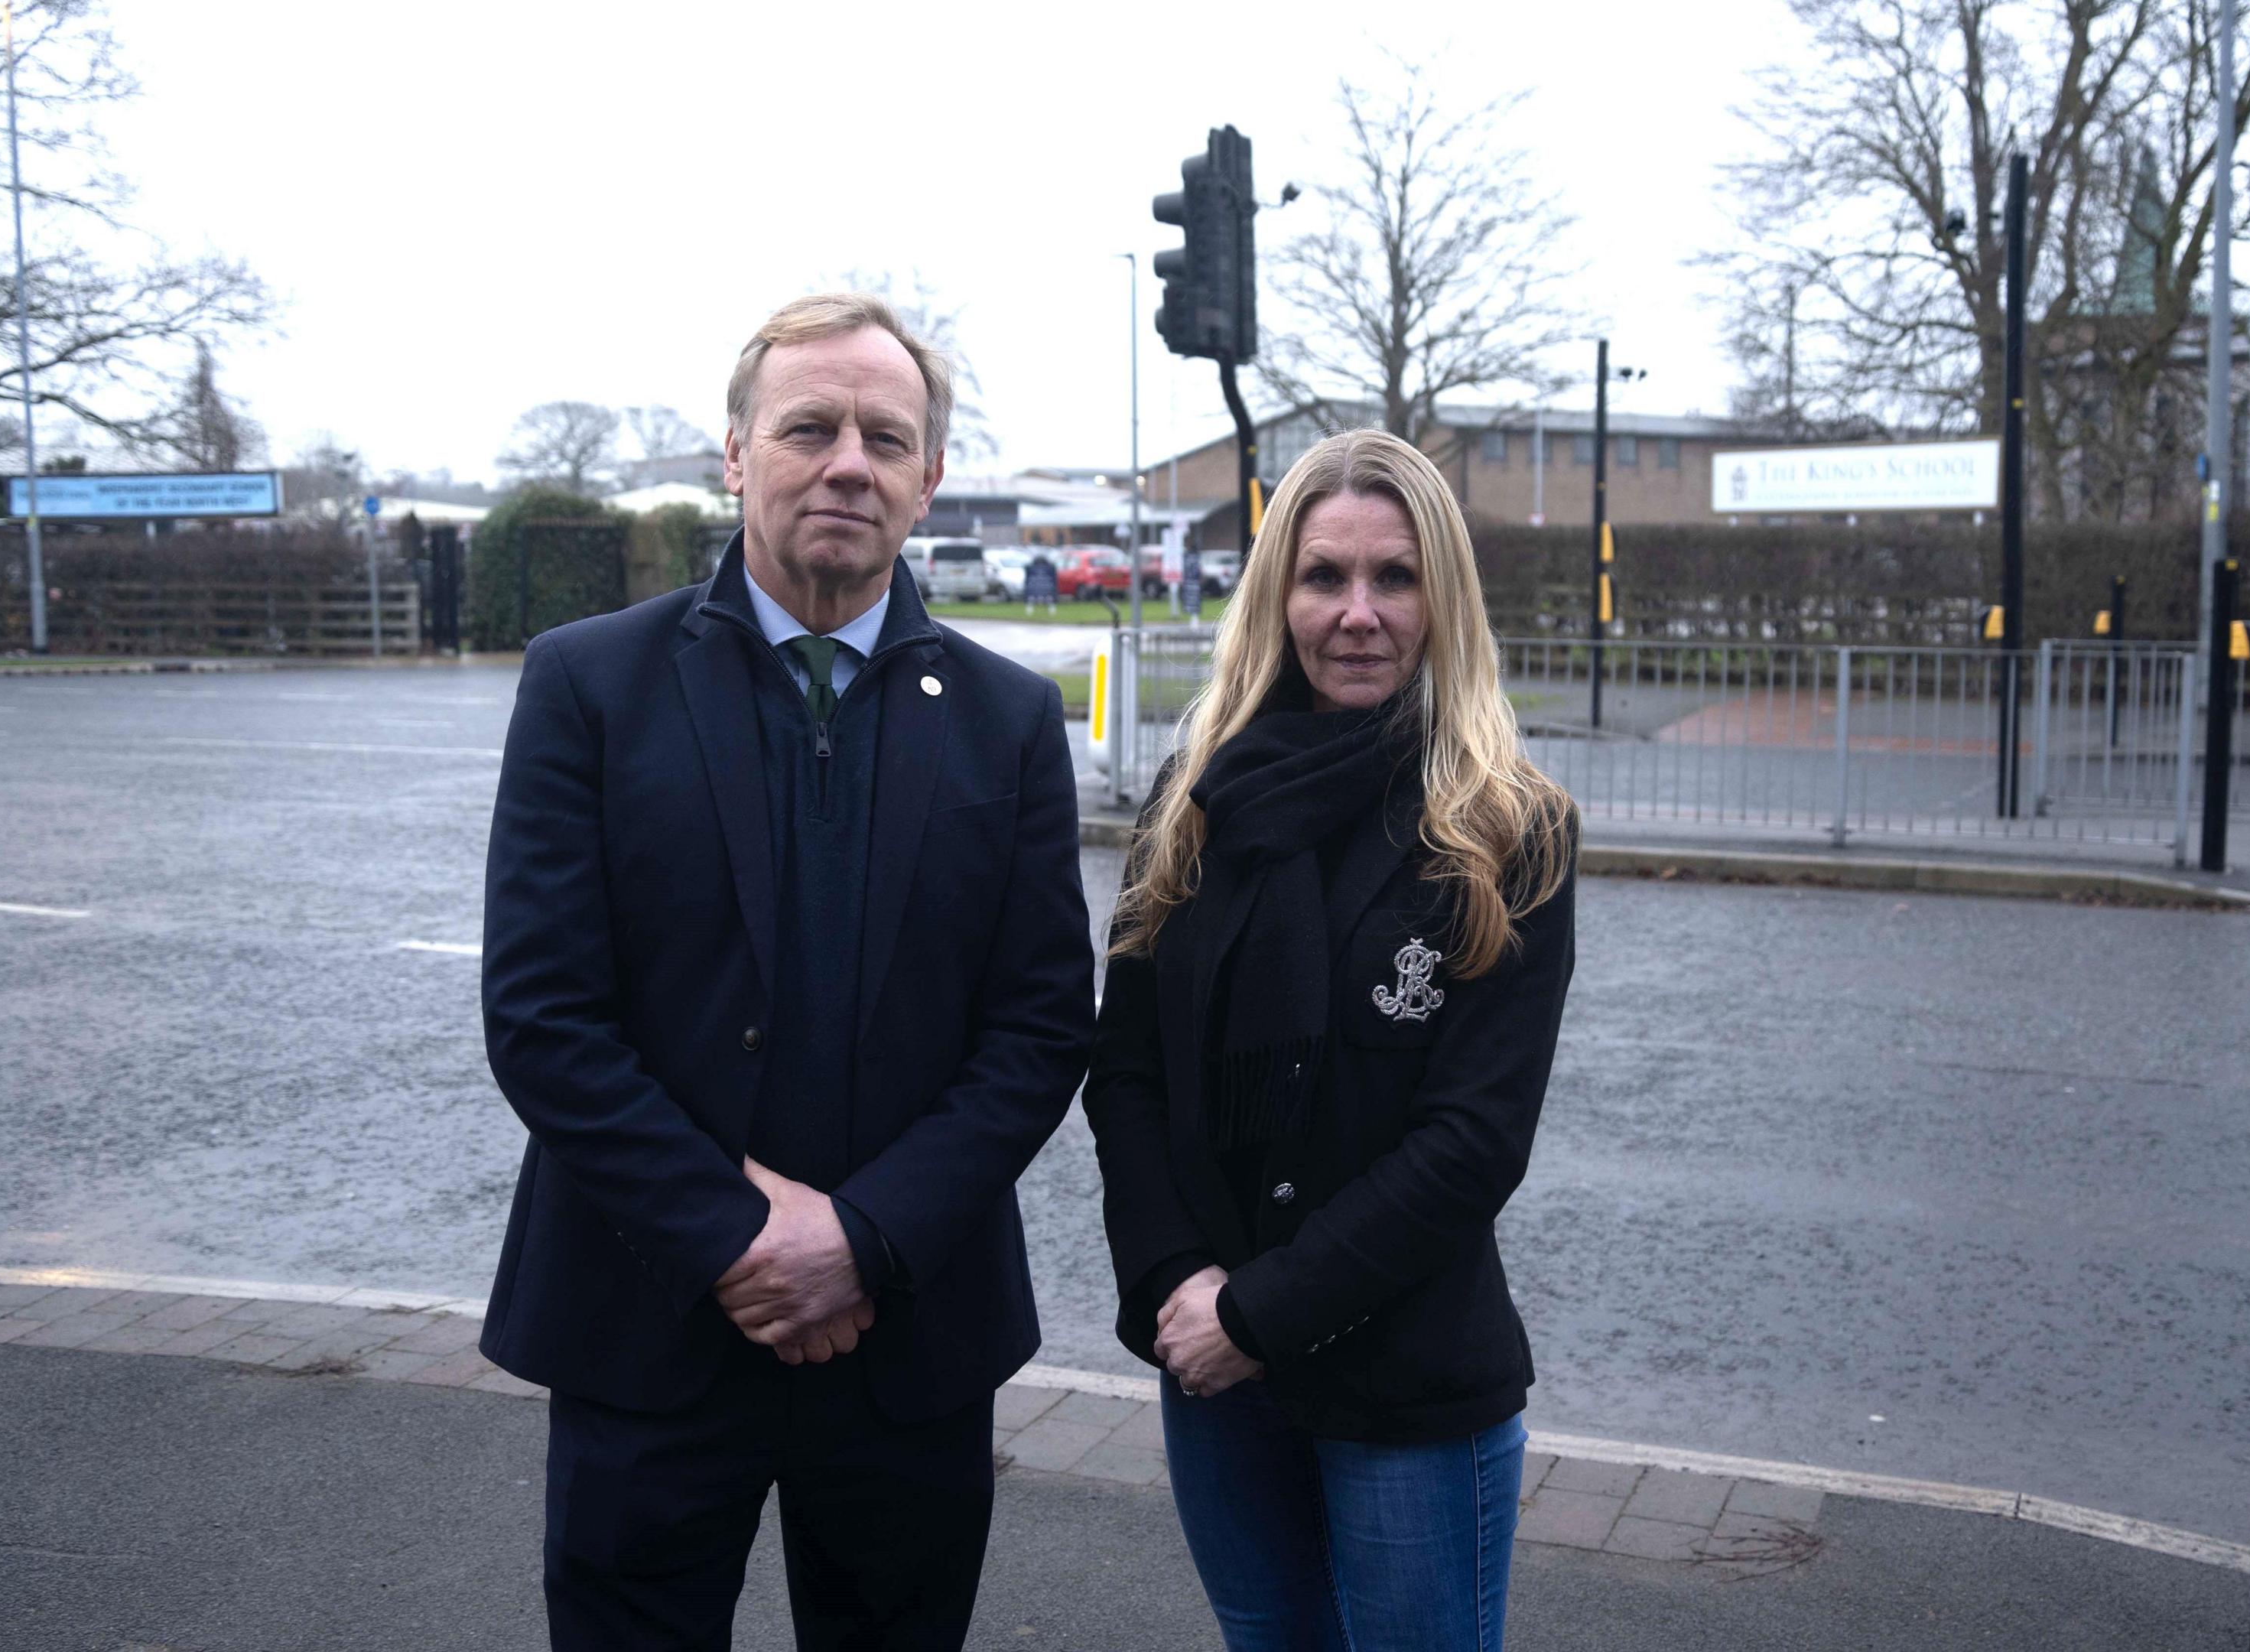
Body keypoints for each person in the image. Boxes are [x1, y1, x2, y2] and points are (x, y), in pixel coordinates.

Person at [479, 291, 1094, 1650]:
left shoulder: (1009, 722)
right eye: (809, 426)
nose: (847, 462)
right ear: (736, 455)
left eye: (886, 436)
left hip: (908, 1346)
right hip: (646, 1329)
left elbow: (1041, 1031)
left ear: (930, 481)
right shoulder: (588, 684)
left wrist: (860, 1240)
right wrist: (740, 1237)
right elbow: (542, 1019)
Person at [1084, 428, 1579, 1651]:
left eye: (1394, 579)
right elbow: (1128, 1077)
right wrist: (1175, 1289)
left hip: (1403, 1386)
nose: (1358, 614)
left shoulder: (1510, 828)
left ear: (1441, 598)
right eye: (1324, 578)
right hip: (1210, 1367)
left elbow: (1471, 1145)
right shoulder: (1194, 800)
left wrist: (1260, 1316)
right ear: (1278, 596)